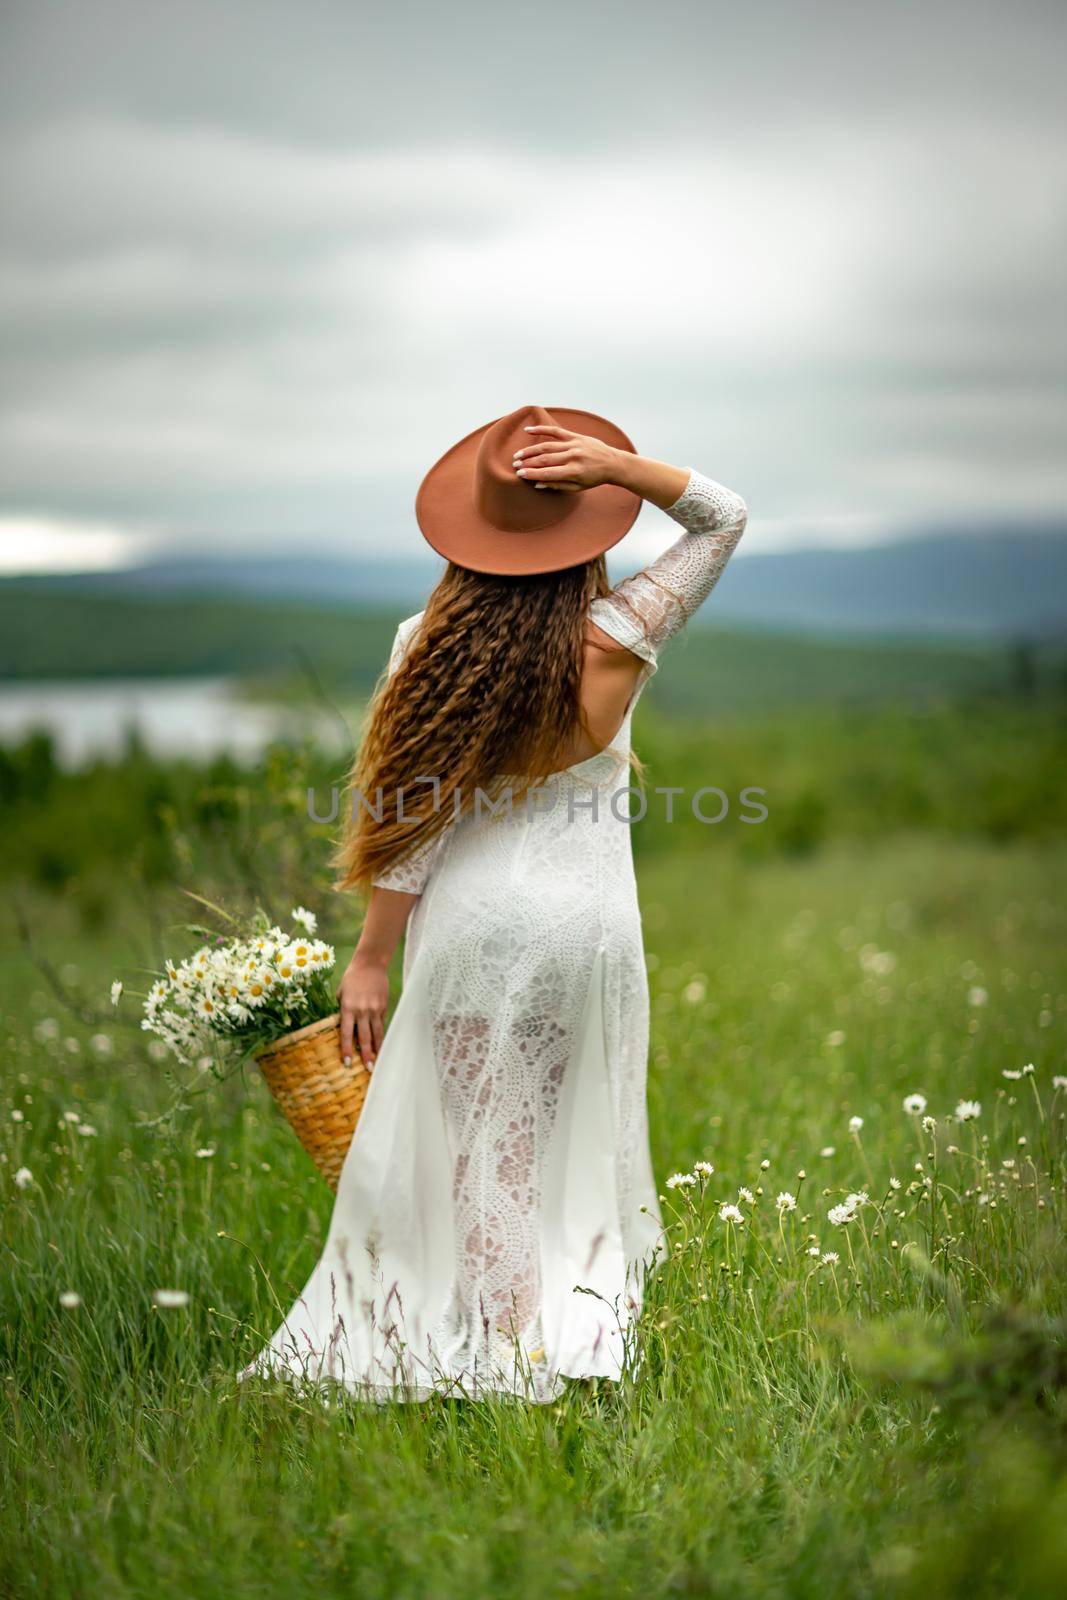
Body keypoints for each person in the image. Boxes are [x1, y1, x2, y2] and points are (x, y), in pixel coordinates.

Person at [243, 404, 747, 1402]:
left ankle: (507, 1358)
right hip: (583, 926)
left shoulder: (424, 641)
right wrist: (613, 464)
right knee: (539, 1138)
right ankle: (540, 1340)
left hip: (477, 923)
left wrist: (370, 956)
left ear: (469, 537)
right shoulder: (623, 629)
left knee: (482, 1150)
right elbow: (721, 518)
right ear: (584, 529)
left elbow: (411, 814)